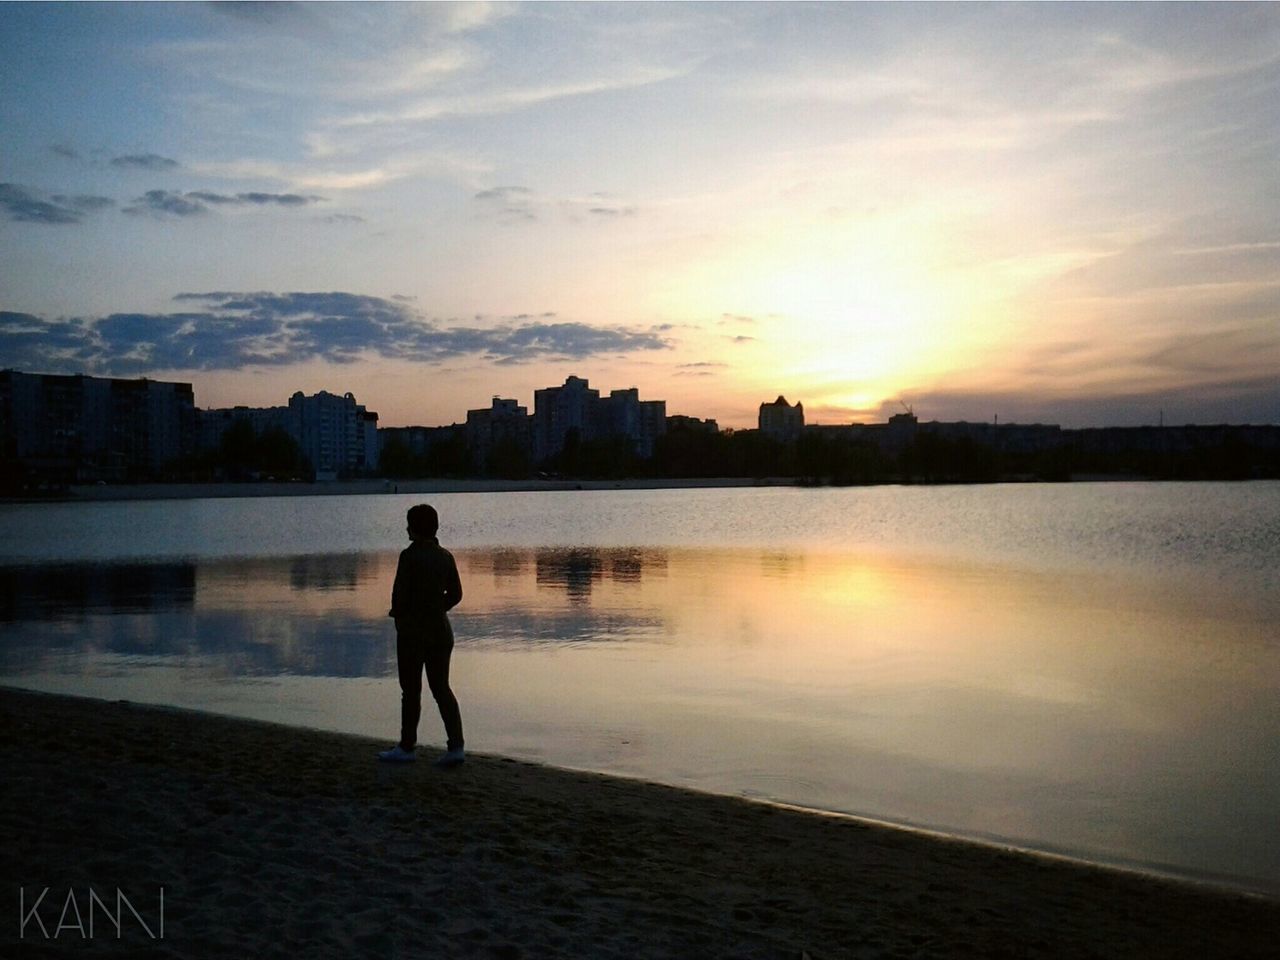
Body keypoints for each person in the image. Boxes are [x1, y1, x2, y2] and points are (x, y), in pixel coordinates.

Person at [379, 504, 465, 767]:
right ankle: (456, 747)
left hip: (413, 632)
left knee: (411, 690)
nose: (406, 529)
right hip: (440, 631)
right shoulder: (445, 556)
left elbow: (399, 595)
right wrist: (438, 607)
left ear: (415, 527)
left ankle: (407, 747)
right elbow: (456, 594)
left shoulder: (409, 556)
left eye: (409, 524)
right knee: (441, 689)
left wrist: (400, 619)